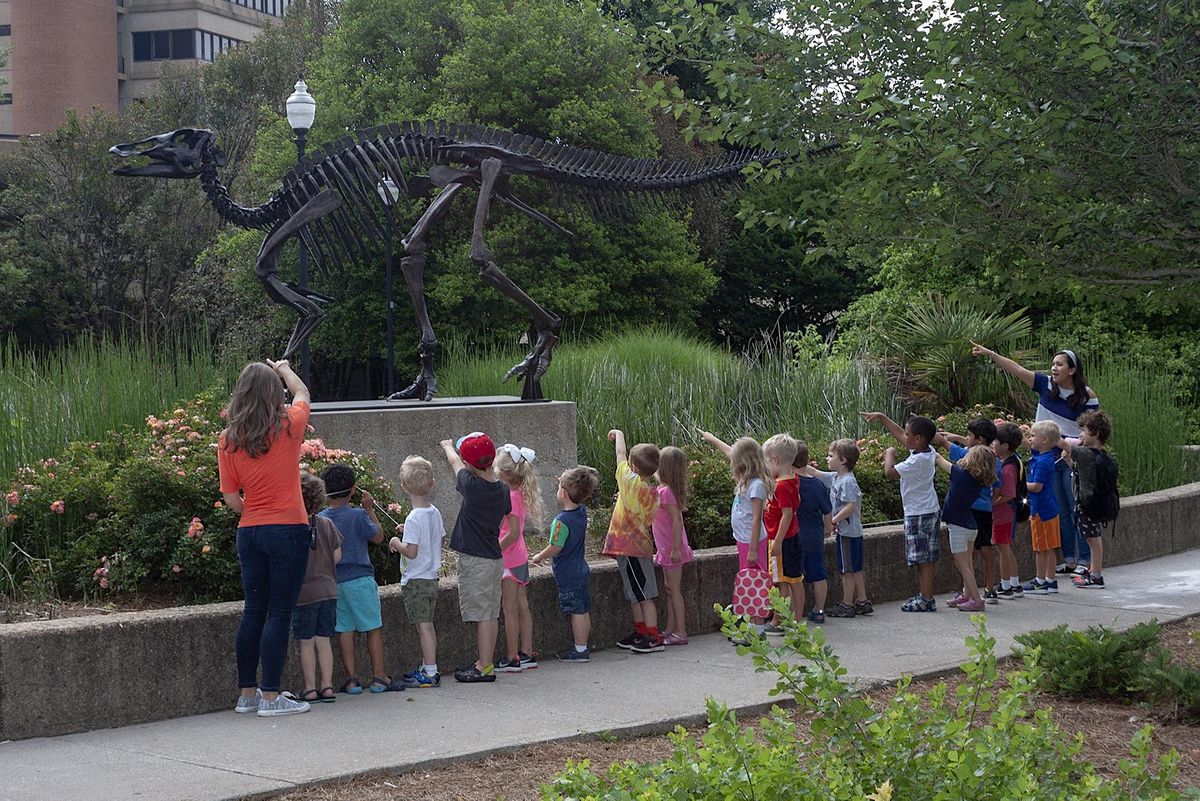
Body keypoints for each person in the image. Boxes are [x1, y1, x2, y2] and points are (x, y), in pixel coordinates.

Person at [219, 359, 313, 717]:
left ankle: (247, 694)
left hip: (250, 532)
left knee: (253, 611)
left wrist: (255, 513)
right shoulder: (288, 425)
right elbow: (303, 392)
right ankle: (271, 695)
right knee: (279, 612)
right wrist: (285, 369)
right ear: (274, 393)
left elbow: (231, 499)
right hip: (287, 528)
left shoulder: (228, 440)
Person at [973, 344, 1099, 576]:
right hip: (1044, 457)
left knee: (1075, 508)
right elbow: (1017, 370)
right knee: (1059, 510)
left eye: (1059, 364)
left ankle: (1086, 559)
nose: (1054, 368)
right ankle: (1069, 559)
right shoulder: (1046, 385)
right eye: (1053, 364)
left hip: (1070, 457)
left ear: (1072, 370)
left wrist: (1071, 447)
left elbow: (1090, 431)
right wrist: (991, 354)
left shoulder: (1086, 396)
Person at [319, 464, 404, 694]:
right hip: (360, 579)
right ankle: (379, 676)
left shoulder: (320, 519)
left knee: (344, 629)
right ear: (353, 489)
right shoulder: (357, 515)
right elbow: (378, 536)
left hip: (335, 581)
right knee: (372, 627)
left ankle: (351, 679)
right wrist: (370, 509)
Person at [440, 432, 511, 683]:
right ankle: (487, 662)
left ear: (469, 464)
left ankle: (483, 666)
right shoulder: (502, 489)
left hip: (475, 561)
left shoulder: (471, 486)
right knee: (491, 613)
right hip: (494, 558)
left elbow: (454, 463)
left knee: (482, 615)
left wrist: (448, 446)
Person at [860, 412, 941, 612]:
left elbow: (889, 473)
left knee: (924, 559)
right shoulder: (926, 450)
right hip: (923, 510)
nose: (904, 437)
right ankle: (924, 594)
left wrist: (889, 454)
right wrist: (882, 418)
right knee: (922, 557)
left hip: (920, 513)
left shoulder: (917, 461)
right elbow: (902, 436)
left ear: (918, 439)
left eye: (908, 434)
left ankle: (927, 599)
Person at [698, 430, 774, 636]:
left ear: (744, 462)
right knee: (748, 583)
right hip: (743, 539)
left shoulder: (756, 486)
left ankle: (757, 629)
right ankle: (751, 627)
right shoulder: (746, 480)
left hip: (753, 542)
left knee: (756, 582)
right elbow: (730, 452)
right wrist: (712, 439)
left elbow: (757, 518)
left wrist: (752, 549)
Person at [600, 429, 663, 654]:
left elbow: (619, 453)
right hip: (631, 548)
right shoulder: (653, 493)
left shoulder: (627, 479)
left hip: (631, 548)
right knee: (634, 592)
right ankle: (641, 631)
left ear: (633, 466)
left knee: (644, 594)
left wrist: (619, 434)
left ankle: (653, 635)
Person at [387, 455, 446, 688]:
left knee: (424, 626)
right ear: (432, 484)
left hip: (417, 579)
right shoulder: (434, 512)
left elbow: (410, 552)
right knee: (426, 623)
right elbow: (436, 539)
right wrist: (408, 532)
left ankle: (431, 671)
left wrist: (396, 542)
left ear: (403, 486)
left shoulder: (413, 517)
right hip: (431, 577)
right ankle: (427, 665)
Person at [532, 466, 601, 662]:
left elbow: (556, 546)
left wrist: (539, 556)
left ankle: (580, 650)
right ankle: (584, 645)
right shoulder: (581, 512)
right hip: (580, 569)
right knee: (583, 608)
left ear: (562, 493)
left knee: (576, 611)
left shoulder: (561, 521)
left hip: (568, 573)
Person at [935, 419, 1000, 603]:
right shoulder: (979, 480)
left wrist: (930, 447)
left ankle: (976, 600)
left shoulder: (961, 474)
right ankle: (968, 595)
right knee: (967, 562)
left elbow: (939, 459)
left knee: (961, 563)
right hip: (971, 526)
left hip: (959, 525)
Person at [804, 438, 870, 618]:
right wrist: (801, 464)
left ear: (843, 460)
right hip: (852, 532)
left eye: (830, 455)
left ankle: (847, 604)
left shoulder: (847, 481)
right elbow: (818, 473)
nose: (827, 458)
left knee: (846, 570)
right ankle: (862, 601)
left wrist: (833, 520)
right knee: (855, 568)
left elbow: (851, 506)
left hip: (847, 532)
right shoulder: (836, 477)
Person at [293, 472, 343, 704]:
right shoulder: (326, 523)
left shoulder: (293, 527)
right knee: (324, 639)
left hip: (303, 593)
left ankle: (310, 688)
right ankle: (328, 686)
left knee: (306, 641)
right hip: (328, 590)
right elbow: (337, 555)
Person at [493, 443, 544, 672]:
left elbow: (512, 533)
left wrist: (495, 548)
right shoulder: (519, 494)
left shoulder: (510, 497)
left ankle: (512, 656)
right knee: (522, 606)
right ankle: (526, 651)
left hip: (509, 559)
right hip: (520, 557)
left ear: (503, 475)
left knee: (509, 608)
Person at [1060, 410, 1117, 589]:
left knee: (1093, 539)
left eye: (1084, 430)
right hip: (1095, 503)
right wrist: (1069, 462)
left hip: (1089, 504)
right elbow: (1081, 475)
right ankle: (1094, 570)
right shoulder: (1100, 455)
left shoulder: (1085, 453)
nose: (1081, 434)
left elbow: (1060, 442)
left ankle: (1096, 575)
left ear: (1096, 433)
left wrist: (1047, 429)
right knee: (1093, 538)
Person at [653, 446, 694, 646]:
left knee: (674, 590)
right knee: (669, 589)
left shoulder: (666, 492)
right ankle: (670, 628)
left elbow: (677, 520)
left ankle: (681, 631)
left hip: (671, 548)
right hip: (667, 548)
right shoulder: (663, 490)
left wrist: (676, 548)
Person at [761, 434, 802, 633]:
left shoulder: (782, 485)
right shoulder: (791, 478)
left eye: (767, 462)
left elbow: (787, 514)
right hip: (787, 537)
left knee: (781, 580)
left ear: (775, 460)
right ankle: (794, 617)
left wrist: (777, 541)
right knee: (791, 579)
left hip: (781, 539)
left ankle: (780, 618)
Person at [793, 440, 834, 623]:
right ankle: (819, 609)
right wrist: (827, 529)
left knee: (795, 576)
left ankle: (795, 612)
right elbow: (827, 510)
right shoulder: (817, 485)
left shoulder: (790, 483)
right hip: (814, 536)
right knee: (818, 573)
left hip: (795, 537)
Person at [1023, 420, 1063, 594]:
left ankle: (1040, 580)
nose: (1030, 439)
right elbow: (1027, 445)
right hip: (1049, 508)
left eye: (1033, 436)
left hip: (1041, 510)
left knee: (1040, 548)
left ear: (1045, 439)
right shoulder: (1045, 456)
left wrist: (1019, 484)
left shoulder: (1042, 462)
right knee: (1050, 546)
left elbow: (1037, 486)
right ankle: (1050, 579)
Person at [990, 423, 1025, 598]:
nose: (992, 445)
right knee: (1006, 548)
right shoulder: (1014, 460)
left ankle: (1006, 585)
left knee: (1003, 549)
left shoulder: (1008, 468)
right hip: (1008, 513)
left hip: (1004, 514)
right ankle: (1015, 583)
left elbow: (1009, 494)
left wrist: (992, 503)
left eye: (995, 442)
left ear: (1004, 446)